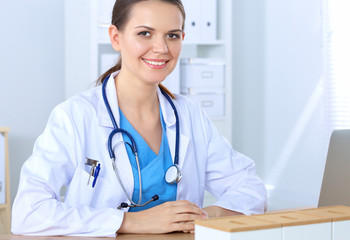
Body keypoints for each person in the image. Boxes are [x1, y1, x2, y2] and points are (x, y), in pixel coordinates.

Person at [11, 0, 267, 237]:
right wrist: (129, 221)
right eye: (145, 33)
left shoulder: (190, 115)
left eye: (172, 35)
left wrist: (206, 215)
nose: (161, 48)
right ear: (115, 37)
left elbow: (251, 189)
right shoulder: (75, 116)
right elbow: (28, 212)